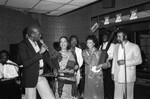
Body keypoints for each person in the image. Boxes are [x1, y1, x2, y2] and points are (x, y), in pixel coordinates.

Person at [18, 25, 55, 99]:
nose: (41, 35)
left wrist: (53, 68)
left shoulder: (39, 43)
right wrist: (40, 53)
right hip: (30, 77)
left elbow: (47, 58)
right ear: (32, 34)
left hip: (41, 75)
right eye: (39, 33)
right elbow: (25, 63)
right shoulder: (23, 45)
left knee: (50, 97)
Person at [111, 28, 142, 99]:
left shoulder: (134, 46)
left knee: (129, 96)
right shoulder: (116, 46)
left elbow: (139, 60)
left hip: (128, 75)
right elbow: (114, 60)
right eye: (117, 36)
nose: (117, 38)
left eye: (119, 36)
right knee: (117, 95)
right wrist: (112, 72)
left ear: (125, 37)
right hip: (117, 75)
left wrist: (125, 62)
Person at [82, 35, 110, 99]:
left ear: (94, 43)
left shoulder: (100, 52)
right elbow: (88, 61)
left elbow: (108, 64)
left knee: (98, 95)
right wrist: (93, 52)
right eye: (87, 42)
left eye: (90, 43)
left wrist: (101, 65)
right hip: (89, 77)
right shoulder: (84, 52)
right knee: (89, 94)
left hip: (98, 77)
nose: (88, 44)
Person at [99, 33, 115, 99]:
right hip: (102, 66)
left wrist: (107, 57)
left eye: (106, 36)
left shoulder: (112, 45)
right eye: (103, 36)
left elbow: (113, 56)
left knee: (109, 83)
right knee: (103, 83)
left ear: (108, 37)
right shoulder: (100, 46)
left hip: (109, 66)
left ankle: (110, 97)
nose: (104, 37)